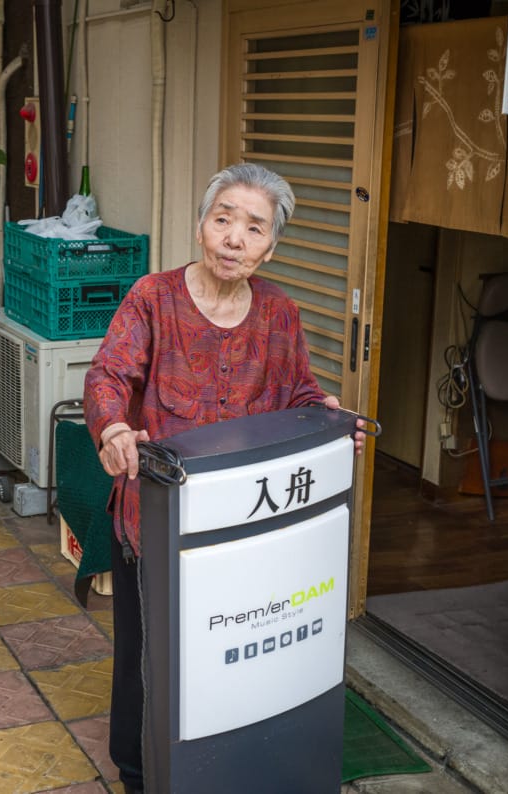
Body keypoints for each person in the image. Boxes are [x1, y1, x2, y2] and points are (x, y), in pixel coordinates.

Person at [83, 162, 364, 793]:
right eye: (223, 219)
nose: (235, 237)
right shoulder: (153, 298)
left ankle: (228, 757)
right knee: (146, 655)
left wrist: (331, 418)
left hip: (242, 520)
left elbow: (300, 394)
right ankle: (137, 768)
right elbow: (108, 376)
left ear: (270, 246)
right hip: (155, 518)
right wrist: (113, 429)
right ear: (203, 225)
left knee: (227, 643)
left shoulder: (280, 314)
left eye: (254, 227)